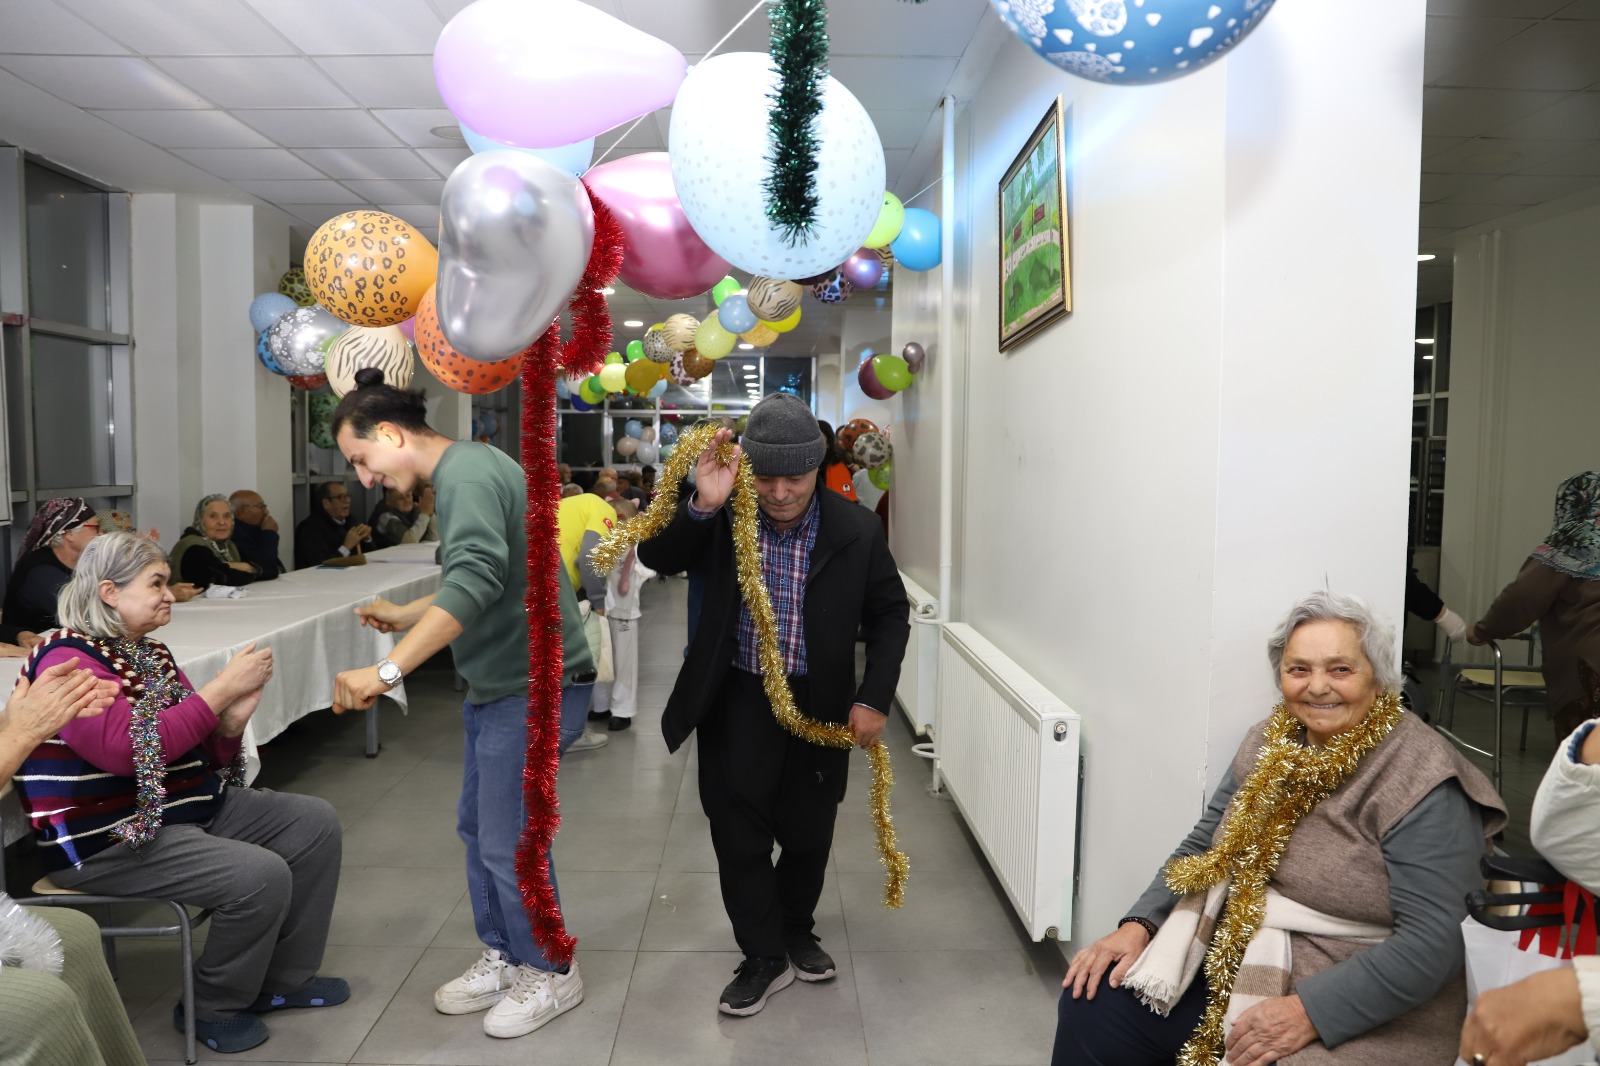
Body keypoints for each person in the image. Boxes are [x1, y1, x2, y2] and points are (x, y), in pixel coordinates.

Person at [1052, 590, 1506, 1066]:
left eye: (1340, 669)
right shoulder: (1268, 741)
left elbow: (1434, 943)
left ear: (1378, 676)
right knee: (1096, 1005)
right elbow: (1205, 845)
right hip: (1243, 953)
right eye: (1299, 669)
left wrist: (1308, 1012)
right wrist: (1139, 924)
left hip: (1362, 995)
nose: (1318, 687)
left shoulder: (1422, 777)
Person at [326, 368, 594, 1041]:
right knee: (480, 829)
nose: (365, 477)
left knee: (510, 840)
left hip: (532, 688)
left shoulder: (464, 476)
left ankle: (551, 968)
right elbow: (490, 572)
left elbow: (475, 579)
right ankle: (507, 952)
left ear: (391, 434)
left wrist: (386, 670)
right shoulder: (473, 464)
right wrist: (407, 613)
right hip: (505, 684)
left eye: (361, 458)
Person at [11, 531, 345, 1055]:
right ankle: (211, 1006)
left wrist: (229, 723)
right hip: (110, 837)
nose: (169, 594)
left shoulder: (148, 653)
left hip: (179, 809)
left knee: (314, 822)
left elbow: (198, 755)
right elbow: (128, 753)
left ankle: (283, 982)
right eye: (156, 583)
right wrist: (220, 691)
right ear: (109, 592)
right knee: (258, 876)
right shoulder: (65, 661)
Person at [637, 394, 910, 1017]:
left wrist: (874, 695)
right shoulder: (721, 511)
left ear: (818, 468)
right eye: (767, 479)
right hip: (736, 693)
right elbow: (656, 556)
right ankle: (762, 953)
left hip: (821, 702)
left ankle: (794, 929)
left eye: (796, 479)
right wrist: (703, 505)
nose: (781, 493)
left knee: (810, 831)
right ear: (747, 468)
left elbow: (890, 614)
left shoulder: (857, 529)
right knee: (738, 832)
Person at [1468, 471, 1600, 742]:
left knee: (1584, 758)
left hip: (1588, 667)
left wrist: (1482, 630)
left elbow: (1523, 597)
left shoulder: (1572, 542)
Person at [556, 490, 618, 751]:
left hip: (526, 582)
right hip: (555, 586)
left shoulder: (569, 505)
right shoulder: (605, 510)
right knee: (577, 659)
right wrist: (599, 603)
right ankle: (571, 732)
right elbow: (590, 557)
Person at [590, 499, 655, 732]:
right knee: (599, 656)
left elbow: (648, 568)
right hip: (599, 607)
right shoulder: (602, 538)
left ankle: (622, 710)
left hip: (624, 609)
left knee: (624, 662)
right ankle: (601, 705)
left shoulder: (637, 543)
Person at [2, 498, 101, 648]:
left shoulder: (83, 561)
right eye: (95, 527)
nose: (101, 533)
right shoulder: (39, 570)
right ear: (69, 534)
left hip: (62, 644)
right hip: (33, 651)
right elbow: (83, 615)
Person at [169, 495, 278, 589]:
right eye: (213, 516)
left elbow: (271, 568)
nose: (222, 522)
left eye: (226, 516)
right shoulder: (193, 547)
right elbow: (226, 578)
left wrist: (240, 566)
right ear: (200, 520)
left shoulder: (228, 546)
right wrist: (248, 569)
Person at [293, 483, 373, 569]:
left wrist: (367, 539)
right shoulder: (310, 529)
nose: (347, 500)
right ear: (326, 503)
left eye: (347, 496)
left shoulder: (350, 520)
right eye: (341, 497)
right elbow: (321, 565)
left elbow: (370, 557)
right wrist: (346, 547)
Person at [228, 491, 287, 577]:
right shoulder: (234, 534)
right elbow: (265, 566)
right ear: (242, 511)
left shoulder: (255, 529)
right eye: (261, 507)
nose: (266, 512)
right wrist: (269, 533)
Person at [367, 484, 437, 548]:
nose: (407, 500)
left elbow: (435, 538)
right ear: (389, 502)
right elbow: (410, 541)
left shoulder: (415, 509)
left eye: (408, 496)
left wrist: (430, 513)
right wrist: (425, 514)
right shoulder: (385, 517)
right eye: (401, 498)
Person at [816, 420, 859, 503]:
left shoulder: (837, 467)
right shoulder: (800, 465)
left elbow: (846, 503)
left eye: (818, 438)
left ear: (828, 442)